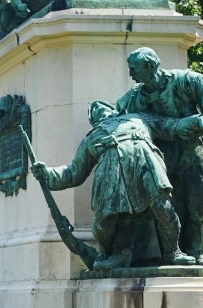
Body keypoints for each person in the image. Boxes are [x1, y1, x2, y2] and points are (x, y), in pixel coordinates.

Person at [30, 100, 200, 270]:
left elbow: (171, 125)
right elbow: (73, 172)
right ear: (93, 119)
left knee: (164, 208)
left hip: (146, 166)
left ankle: (173, 252)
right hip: (112, 176)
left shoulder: (137, 118)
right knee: (106, 223)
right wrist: (47, 172)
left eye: (101, 106)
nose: (97, 109)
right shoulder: (91, 137)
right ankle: (113, 254)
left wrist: (197, 121)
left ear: (113, 109)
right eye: (93, 110)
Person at [117, 47, 203, 263]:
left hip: (191, 151)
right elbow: (115, 116)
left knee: (198, 202)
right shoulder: (135, 97)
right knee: (166, 207)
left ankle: (197, 249)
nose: (131, 75)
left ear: (147, 66)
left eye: (134, 69)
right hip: (161, 158)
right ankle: (169, 253)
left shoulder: (187, 80)